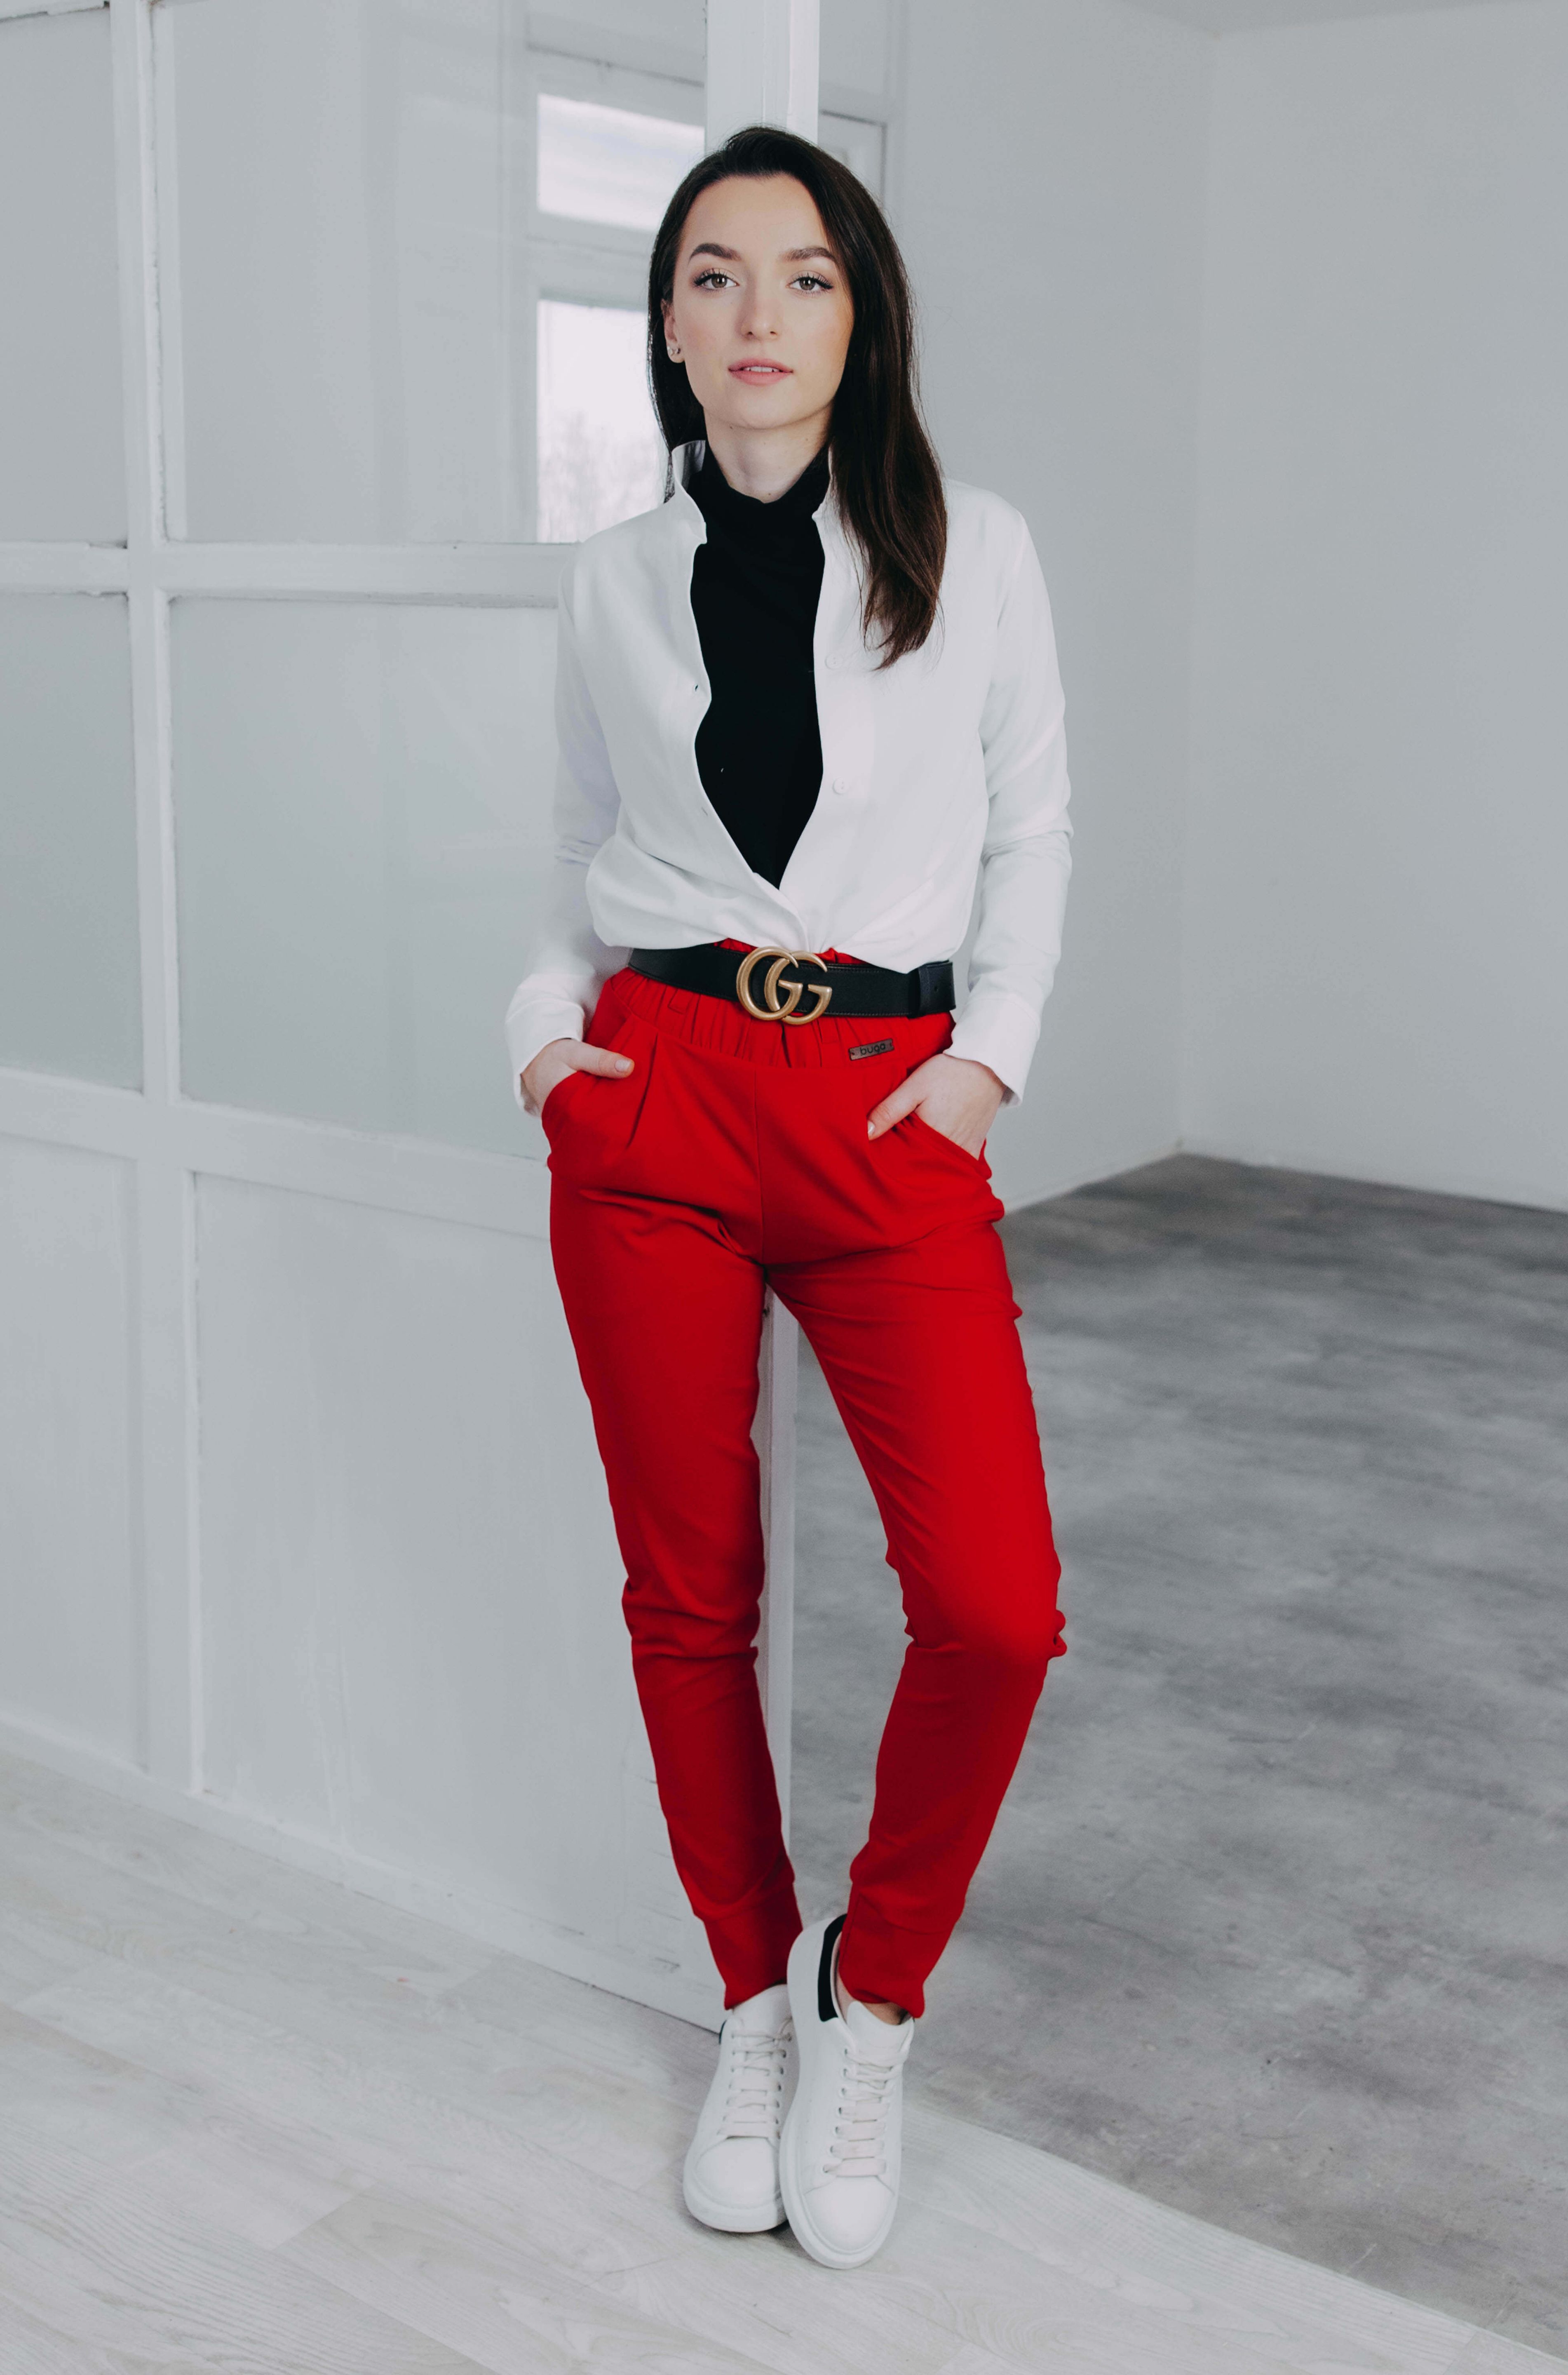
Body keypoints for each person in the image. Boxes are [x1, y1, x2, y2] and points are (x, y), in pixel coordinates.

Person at [505, 123, 1072, 2272]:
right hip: (655, 1100)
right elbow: (571, 846)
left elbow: (1034, 826)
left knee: (996, 1610)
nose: (761, 314)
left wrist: (988, 1062)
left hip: (882, 1109)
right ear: (667, 319)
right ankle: (749, 1998)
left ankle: (871, 1996)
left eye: (807, 276)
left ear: (861, 317)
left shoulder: (972, 548)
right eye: (717, 274)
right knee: (692, 1597)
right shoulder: (609, 577)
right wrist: (545, 1045)